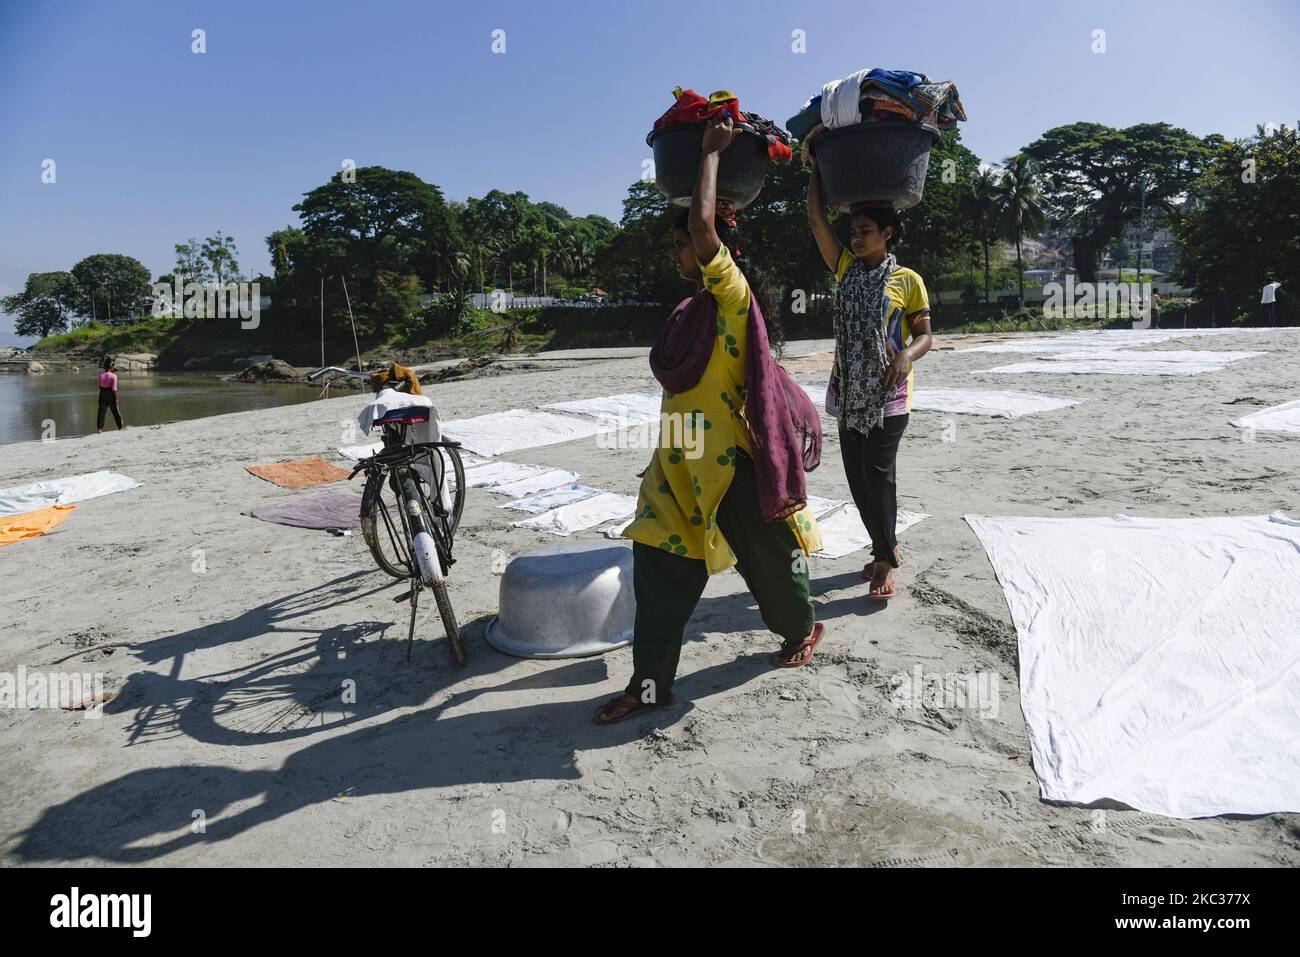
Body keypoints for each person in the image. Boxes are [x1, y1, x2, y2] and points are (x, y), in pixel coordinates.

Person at [595, 117, 825, 725]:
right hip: (676, 468)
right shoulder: (687, 311)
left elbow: (701, 224)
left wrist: (711, 153)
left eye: (681, 245)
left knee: (773, 566)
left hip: (731, 467)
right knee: (659, 575)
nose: (679, 252)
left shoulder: (731, 296)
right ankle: (649, 687)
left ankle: (801, 627)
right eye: (679, 246)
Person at [807, 166, 932, 601]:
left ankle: (884, 560)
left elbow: (925, 336)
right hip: (849, 392)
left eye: (865, 231)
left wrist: (905, 354)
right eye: (854, 231)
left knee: (878, 477)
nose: (856, 238)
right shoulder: (844, 269)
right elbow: (817, 220)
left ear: (888, 233)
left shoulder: (907, 280)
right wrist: (817, 167)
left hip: (891, 395)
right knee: (858, 480)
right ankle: (886, 544)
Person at [96, 355, 125, 433]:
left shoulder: (101, 375)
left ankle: (100, 429)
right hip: (111, 394)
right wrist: (116, 398)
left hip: (102, 393)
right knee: (116, 411)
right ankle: (120, 427)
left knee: (101, 412)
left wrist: (103, 391)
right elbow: (114, 389)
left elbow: (99, 385)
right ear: (111, 367)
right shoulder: (114, 376)